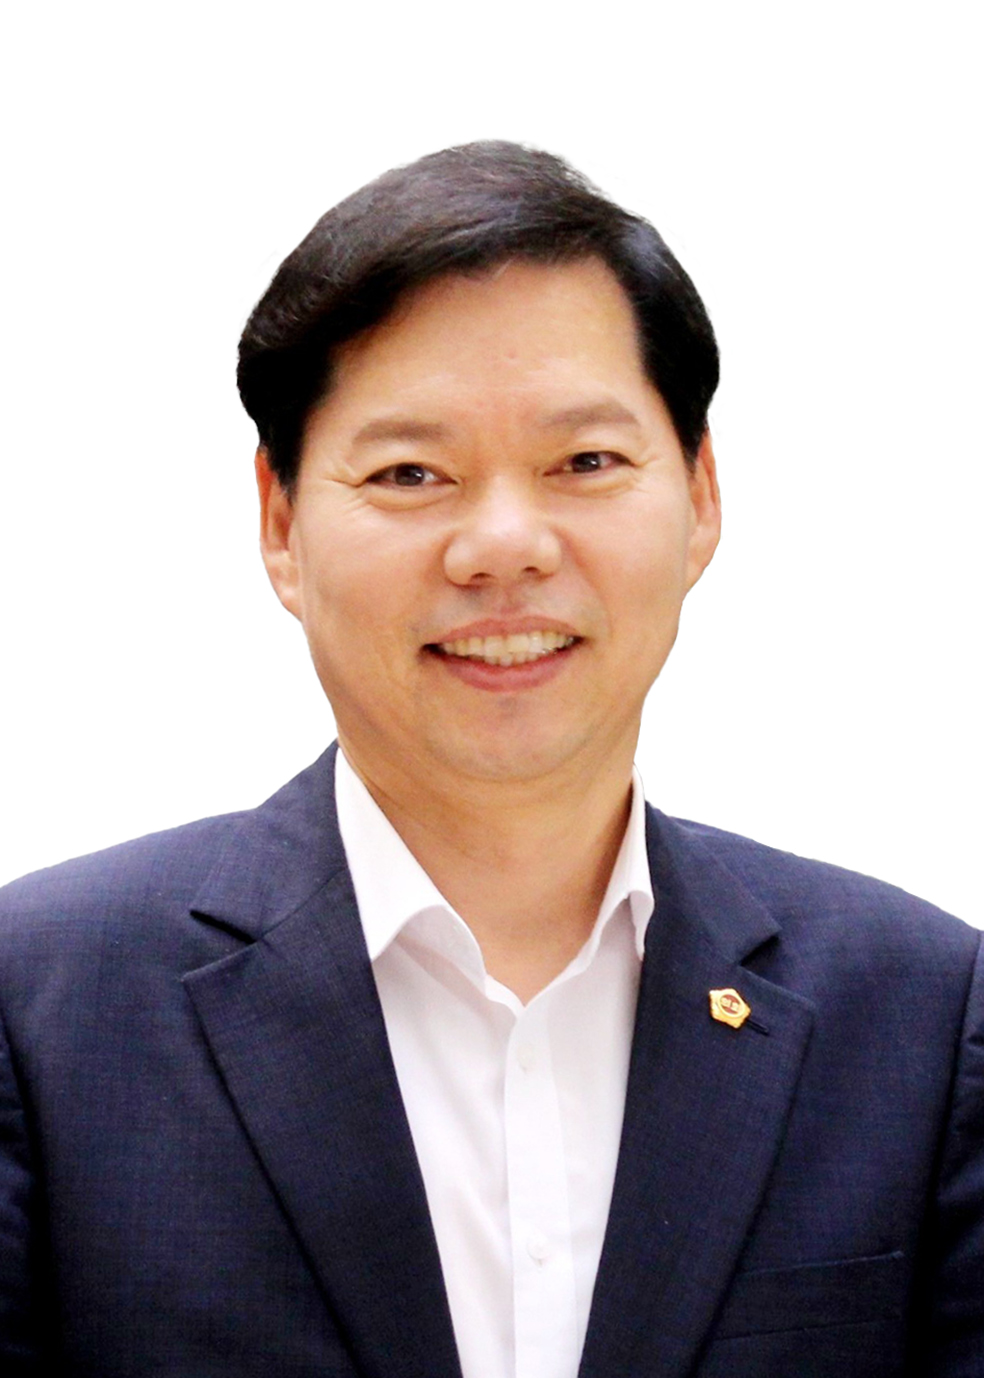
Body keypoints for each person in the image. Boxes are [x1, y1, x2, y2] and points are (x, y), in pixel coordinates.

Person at [0, 142, 981, 1378]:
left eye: (586, 463)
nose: (505, 544)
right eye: (411, 473)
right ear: (281, 521)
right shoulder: (44, 1011)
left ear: (701, 495)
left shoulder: (922, 1016)